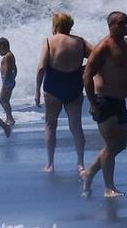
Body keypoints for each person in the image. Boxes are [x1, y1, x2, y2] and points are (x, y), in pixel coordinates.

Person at [81, 12, 127, 198]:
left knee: (121, 144)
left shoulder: (126, 44)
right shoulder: (103, 47)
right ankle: (109, 188)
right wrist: (92, 102)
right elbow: (87, 75)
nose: (126, 27)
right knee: (112, 144)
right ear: (111, 25)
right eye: (121, 24)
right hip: (104, 100)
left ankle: (89, 173)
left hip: (120, 100)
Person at [36, 12, 89, 173]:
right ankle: (80, 163)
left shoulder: (49, 41)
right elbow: (97, 56)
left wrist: (37, 91)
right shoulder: (79, 41)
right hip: (74, 84)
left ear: (56, 26)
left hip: (53, 86)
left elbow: (41, 68)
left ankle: (50, 164)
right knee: (76, 126)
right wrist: (84, 69)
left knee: (51, 125)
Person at [0, 37, 17, 126]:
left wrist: (6, 82)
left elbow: (8, 69)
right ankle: (9, 118)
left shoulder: (8, 56)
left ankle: (10, 118)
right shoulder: (10, 55)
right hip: (9, 80)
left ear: (2, 46)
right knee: (5, 100)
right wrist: (13, 78)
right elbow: (15, 69)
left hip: (7, 80)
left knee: (2, 100)